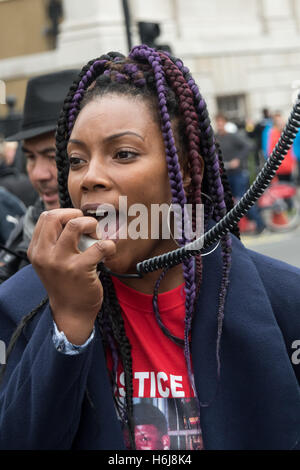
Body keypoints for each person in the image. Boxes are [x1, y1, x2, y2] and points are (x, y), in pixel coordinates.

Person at [0, 45, 299, 450]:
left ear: (189, 169)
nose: (90, 177)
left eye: (123, 154)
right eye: (75, 160)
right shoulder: (22, 303)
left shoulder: (286, 302)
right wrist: (66, 324)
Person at [0, 70, 79, 283]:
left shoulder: (127, 235)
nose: (37, 174)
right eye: (31, 158)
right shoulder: (25, 227)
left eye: (52, 156)